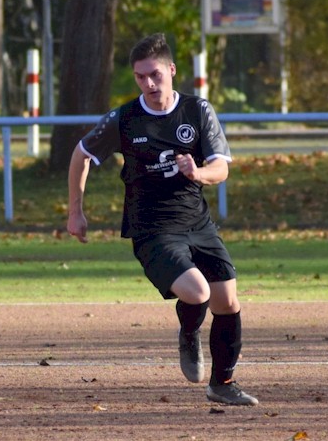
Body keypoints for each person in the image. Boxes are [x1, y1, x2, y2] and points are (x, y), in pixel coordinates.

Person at [66, 33, 258, 406]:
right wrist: (76, 210)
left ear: (171, 70)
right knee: (198, 292)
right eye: (141, 77)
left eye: (155, 74)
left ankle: (222, 384)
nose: (149, 84)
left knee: (228, 301)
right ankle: (189, 333)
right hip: (151, 228)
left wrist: (198, 173)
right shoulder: (124, 118)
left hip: (197, 223)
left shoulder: (197, 111)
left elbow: (220, 169)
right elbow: (81, 154)